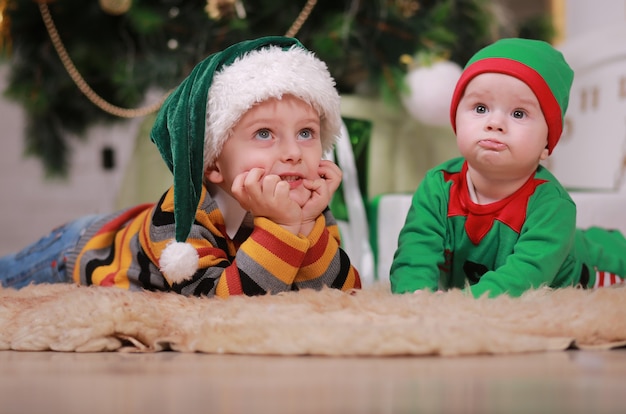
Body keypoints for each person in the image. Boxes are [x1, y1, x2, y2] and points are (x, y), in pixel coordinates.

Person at [0, 36, 361, 297]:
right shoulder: (182, 216)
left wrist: (306, 225)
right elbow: (221, 305)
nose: (293, 153)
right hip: (80, 250)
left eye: (306, 133)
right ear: (213, 163)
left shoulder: (306, 206)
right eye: (264, 133)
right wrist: (283, 228)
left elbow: (338, 295)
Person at [390, 37, 626, 298]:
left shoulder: (551, 206)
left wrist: (458, 307)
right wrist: (413, 297)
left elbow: (522, 279)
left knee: (612, 254)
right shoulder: (439, 187)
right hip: (493, 275)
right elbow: (415, 252)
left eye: (518, 114)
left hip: (588, 266)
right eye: (480, 108)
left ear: (546, 145)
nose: (495, 123)